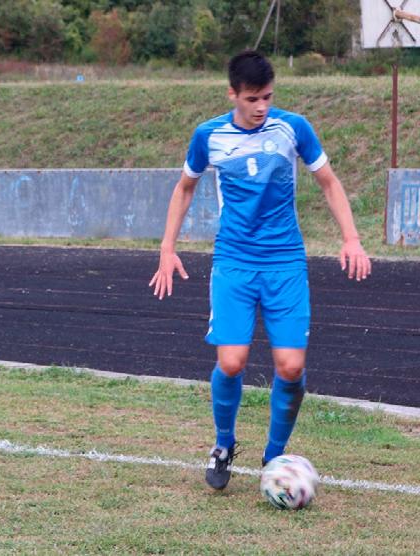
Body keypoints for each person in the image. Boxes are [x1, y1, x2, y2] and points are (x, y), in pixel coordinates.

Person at [149, 50, 371, 490]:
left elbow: (329, 182)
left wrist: (351, 238)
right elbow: (185, 188)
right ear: (232, 94)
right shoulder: (209, 135)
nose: (261, 107)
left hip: (285, 261)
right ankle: (223, 444)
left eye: (267, 97)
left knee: (290, 367)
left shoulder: (293, 129)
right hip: (234, 261)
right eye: (252, 98)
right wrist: (167, 248)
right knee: (231, 362)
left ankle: (275, 457)